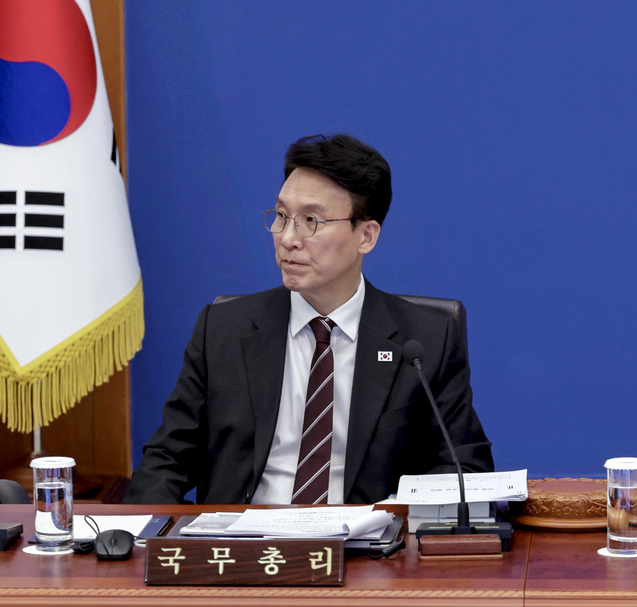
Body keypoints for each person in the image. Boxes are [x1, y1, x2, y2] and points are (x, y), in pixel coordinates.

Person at [127, 133, 494, 504]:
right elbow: (166, 460)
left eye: (311, 220)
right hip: (243, 535)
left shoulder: (425, 341)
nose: (288, 238)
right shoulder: (224, 329)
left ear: (366, 236)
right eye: (282, 216)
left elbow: (465, 468)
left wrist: (394, 519)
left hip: (365, 538)